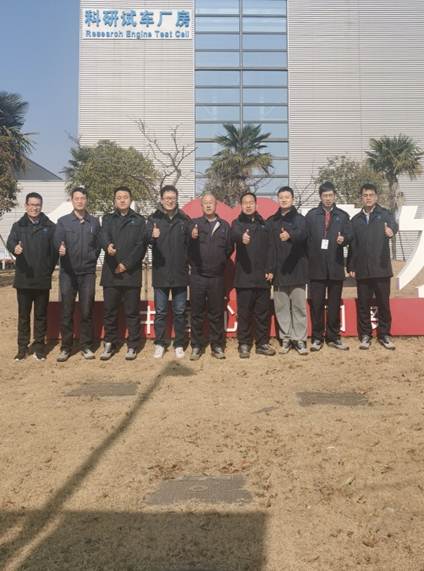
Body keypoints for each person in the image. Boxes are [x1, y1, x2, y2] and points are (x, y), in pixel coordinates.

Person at [7, 192, 57, 361]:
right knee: (23, 316)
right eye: (31, 204)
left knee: (41, 316)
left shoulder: (50, 227)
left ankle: (39, 348)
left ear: (41, 206)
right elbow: (11, 242)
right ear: (26, 206)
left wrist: (47, 270)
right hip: (24, 279)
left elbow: (54, 253)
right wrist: (15, 248)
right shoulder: (18, 226)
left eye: (37, 205)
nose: (34, 208)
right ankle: (22, 349)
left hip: (42, 279)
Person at [98, 186, 147, 360]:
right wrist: (107, 246)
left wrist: (126, 264)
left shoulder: (139, 220)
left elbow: (141, 246)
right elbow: (103, 236)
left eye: (125, 197)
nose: (122, 200)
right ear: (114, 200)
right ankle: (109, 343)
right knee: (110, 312)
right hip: (111, 273)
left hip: (131, 274)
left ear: (130, 199)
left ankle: (132, 345)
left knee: (132, 312)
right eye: (118, 197)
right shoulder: (107, 219)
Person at [348, 183, 398, 350]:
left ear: (376, 197)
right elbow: (353, 245)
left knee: (383, 304)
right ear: (361, 198)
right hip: (362, 270)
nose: (368, 198)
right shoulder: (355, 220)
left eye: (371, 195)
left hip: (381, 268)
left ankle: (384, 335)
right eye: (365, 195)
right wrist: (351, 265)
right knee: (363, 304)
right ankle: (365, 335)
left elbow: (394, 225)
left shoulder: (385, 214)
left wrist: (391, 230)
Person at [54, 187, 101, 362]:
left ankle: (86, 346)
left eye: (82, 198)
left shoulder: (94, 222)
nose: (80, 201)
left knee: (86, 310)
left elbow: (98, 245)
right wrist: (60, 247)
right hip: (68, 273)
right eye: (77, 198)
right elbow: (57, 241)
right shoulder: (63, 222)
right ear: (71, 200)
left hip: (87, 273)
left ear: (86, 200)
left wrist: (91, 258)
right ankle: (66, 348)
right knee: (67, 310)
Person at [305, 181, 352, 351]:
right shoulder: (311, 215)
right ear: (320, 197)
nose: (328, 198)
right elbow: (305, 240)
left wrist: (344, 239)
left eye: (331, 195)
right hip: (316, 268)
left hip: (335, 266)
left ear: (335, 196)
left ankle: (333, 337)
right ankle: (317, 338)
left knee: (333, 305)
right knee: (316, 305)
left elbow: (350, 235)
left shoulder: (342, 216)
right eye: (325, 195)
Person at [147, 185, 191, 359]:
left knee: (180, 312)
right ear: (161, 199)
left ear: (176, 199)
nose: (170, 201)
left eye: (173, 198)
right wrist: (152, 236)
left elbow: (190, 244)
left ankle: (179, 343)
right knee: (160, 312)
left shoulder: (184, 219)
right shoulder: (154, 219)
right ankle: (160, 343)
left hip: (180, 273)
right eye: (167, 198)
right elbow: (145, 241)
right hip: (161, 272)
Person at [188, 193, 233, 360]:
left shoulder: (224, 225)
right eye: (205, 203)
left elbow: (229, 249)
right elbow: (187, 246)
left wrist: (218, 262)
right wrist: (192, 237)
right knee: (196, 313)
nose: (208, 205)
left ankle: (217, 346)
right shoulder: (194, 224)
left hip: (216, 277)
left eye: (211, 203)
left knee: (216, 313)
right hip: (197, 276)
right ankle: (196, 346)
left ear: (216, 205)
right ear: (201, 206)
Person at [231, 191, 275, 359]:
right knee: (244, 314)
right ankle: (244, 344)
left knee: (262, 313)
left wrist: (270, 269)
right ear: (241, 205)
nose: (248, 205)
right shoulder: (237, 223)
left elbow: (271, 248)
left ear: (256, 205)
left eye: (251, 202)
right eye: (245, 202)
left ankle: (262, 343)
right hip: (244, 277)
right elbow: (233, 234)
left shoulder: (265, 224)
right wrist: (241, 238)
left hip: (263, 277)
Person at [267, 186, 309, 355]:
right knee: (281, 308)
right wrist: (270, 269)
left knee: (299, 307)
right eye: (281, 197)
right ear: (277, 199)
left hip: (297, 270)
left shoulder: (300, 219)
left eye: (287, 197)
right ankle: (286, 338)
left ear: (292, 199)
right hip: (279, 272)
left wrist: (290, 235)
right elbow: (269, 247)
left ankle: (299, 339)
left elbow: (303, 234)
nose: (284, 200)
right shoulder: (272, 221)